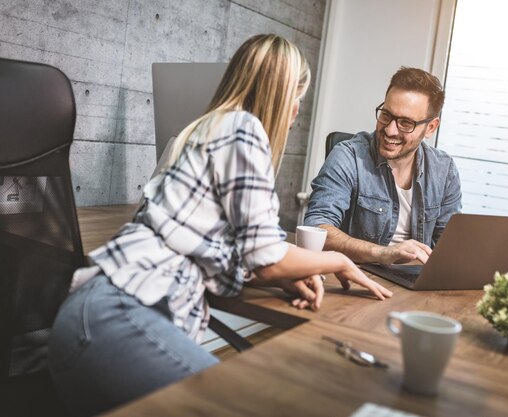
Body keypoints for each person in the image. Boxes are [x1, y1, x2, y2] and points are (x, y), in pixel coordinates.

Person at [48, 34, 392, 417]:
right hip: (116, 316)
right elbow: (268, 257)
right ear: (281, 97)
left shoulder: (208, 129)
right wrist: (337, 261)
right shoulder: (244, 131)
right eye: (296, 98)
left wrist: (279, 275)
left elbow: (249, 254)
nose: (296, 111)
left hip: (94, 315)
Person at [304, 67, 462, 265]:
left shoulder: (444, 169)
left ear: (430, 127)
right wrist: (382, 253)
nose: (390, 130)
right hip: (359, 275)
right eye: (386, 115)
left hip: (413, 283)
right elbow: (317, 228)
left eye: (405, 123)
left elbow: (449, 244)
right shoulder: (348, 156)